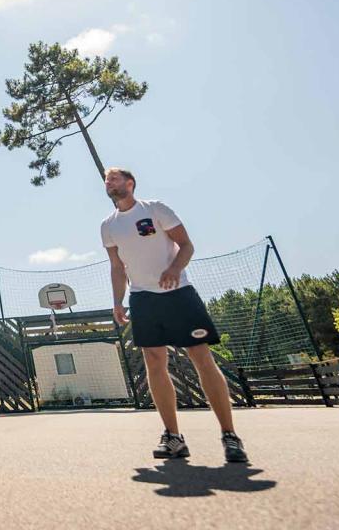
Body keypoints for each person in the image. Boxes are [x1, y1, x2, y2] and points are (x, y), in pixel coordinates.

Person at [101, 167, 248, 463]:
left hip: (179, 293)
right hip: (142, 298)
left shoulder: (155, 209)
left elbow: (186, 244)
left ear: (130, 183)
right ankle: (173, 437)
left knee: (201, 357)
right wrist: (118, 301)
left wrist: (173, 270)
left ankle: (230, 435)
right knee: (154, 362)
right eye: (107, 179)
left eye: (115, 178)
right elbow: (118, 268)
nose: (109, 182)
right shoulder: (108, 226)